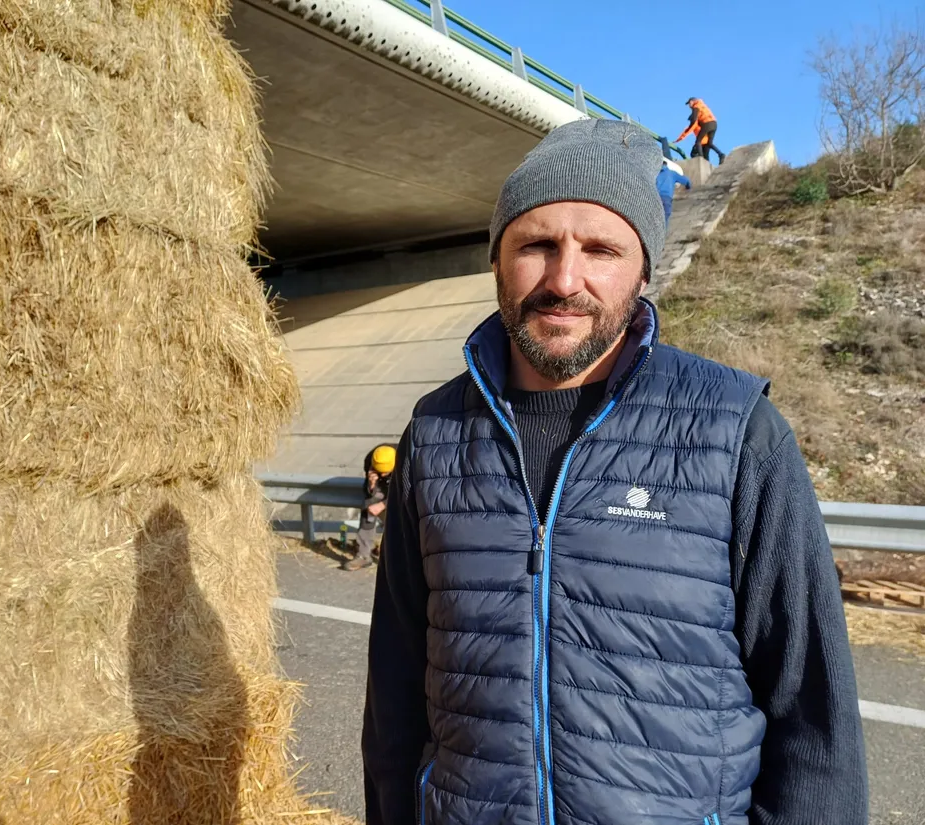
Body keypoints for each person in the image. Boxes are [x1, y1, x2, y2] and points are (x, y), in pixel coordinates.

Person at [362, 119, 867, 825]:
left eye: (600, 248)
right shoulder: (436, 434)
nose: (564, 279)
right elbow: (394, 700)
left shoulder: (735, 431)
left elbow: (813, 721)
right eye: (536, 244)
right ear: (498, 260)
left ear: (643, 268)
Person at [343, 444, 396, 571]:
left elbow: (406, 493)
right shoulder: (370, 460)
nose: (382, 474)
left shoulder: (407, 460)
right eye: (380, 471)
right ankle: (363, 555)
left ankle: (398, 555)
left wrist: (383, 504)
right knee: (369, 507)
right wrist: (372, 485)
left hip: (403, 486)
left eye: (385, 472)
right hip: (383, 486)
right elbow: (368, 492)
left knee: (398, 516)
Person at [678, 97, 726, 164]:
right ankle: (721, 154)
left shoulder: (696, 106)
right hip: (714, 124)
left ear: (693, 101)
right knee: (709, 143)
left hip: (707, 123)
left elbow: (694, 119)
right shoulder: (702, 105)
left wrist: (690, 126)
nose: (689, 105)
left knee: (698, 142)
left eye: (689, 103)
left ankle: (702, 159)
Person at [656, 159, 691, 226]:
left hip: (656, 198)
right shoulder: (672, 173)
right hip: (666, 198)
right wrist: (688, 187)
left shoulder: (656, 174)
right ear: (666, 165)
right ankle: (663, 235)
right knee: (665, 219)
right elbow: (686, 181)